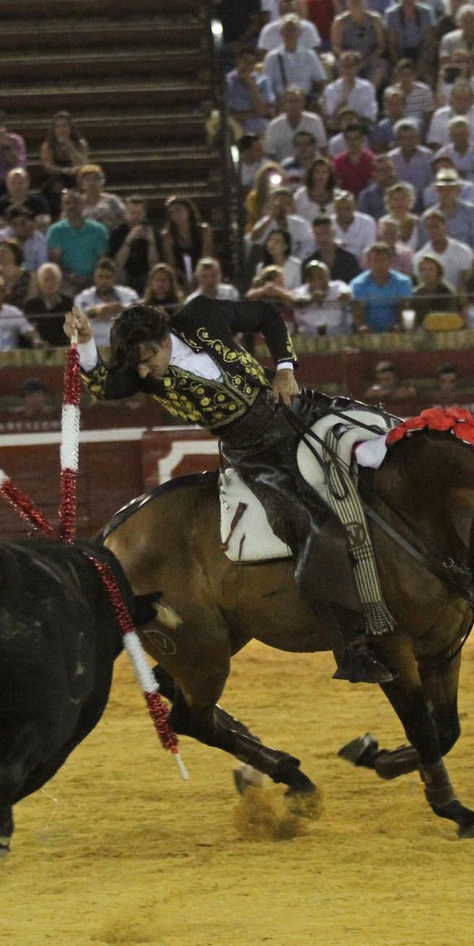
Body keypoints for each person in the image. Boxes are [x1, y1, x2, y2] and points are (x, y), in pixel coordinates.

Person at [70, 290, 395, 682]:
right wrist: (86, 340)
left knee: (383, 440)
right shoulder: (145, 376)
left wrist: (285, 367)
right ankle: (353, 645)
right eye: (136, 367)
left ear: (162, 339)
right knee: (306, 525)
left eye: (145, 360)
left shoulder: (201, 315)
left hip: (293, 412)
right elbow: (103, 386)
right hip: (254, 454)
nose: (142, 373)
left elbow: (268, 315)